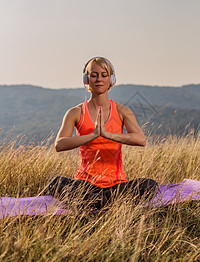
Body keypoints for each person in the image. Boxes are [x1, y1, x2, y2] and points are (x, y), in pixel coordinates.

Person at [48, 57, 158, 209]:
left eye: (104, 75)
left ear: (111, 79)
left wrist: (108, 134)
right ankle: (107, 204)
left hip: (116, 186)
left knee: (150, 185)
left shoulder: (122, 111)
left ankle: (97, 204)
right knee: (54, 182)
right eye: (94, 75)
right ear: (86, 79)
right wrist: (93, 135)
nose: (99, 79)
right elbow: (59, 144)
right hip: (85, 185)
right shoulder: (75, 112)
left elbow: (141, 140)